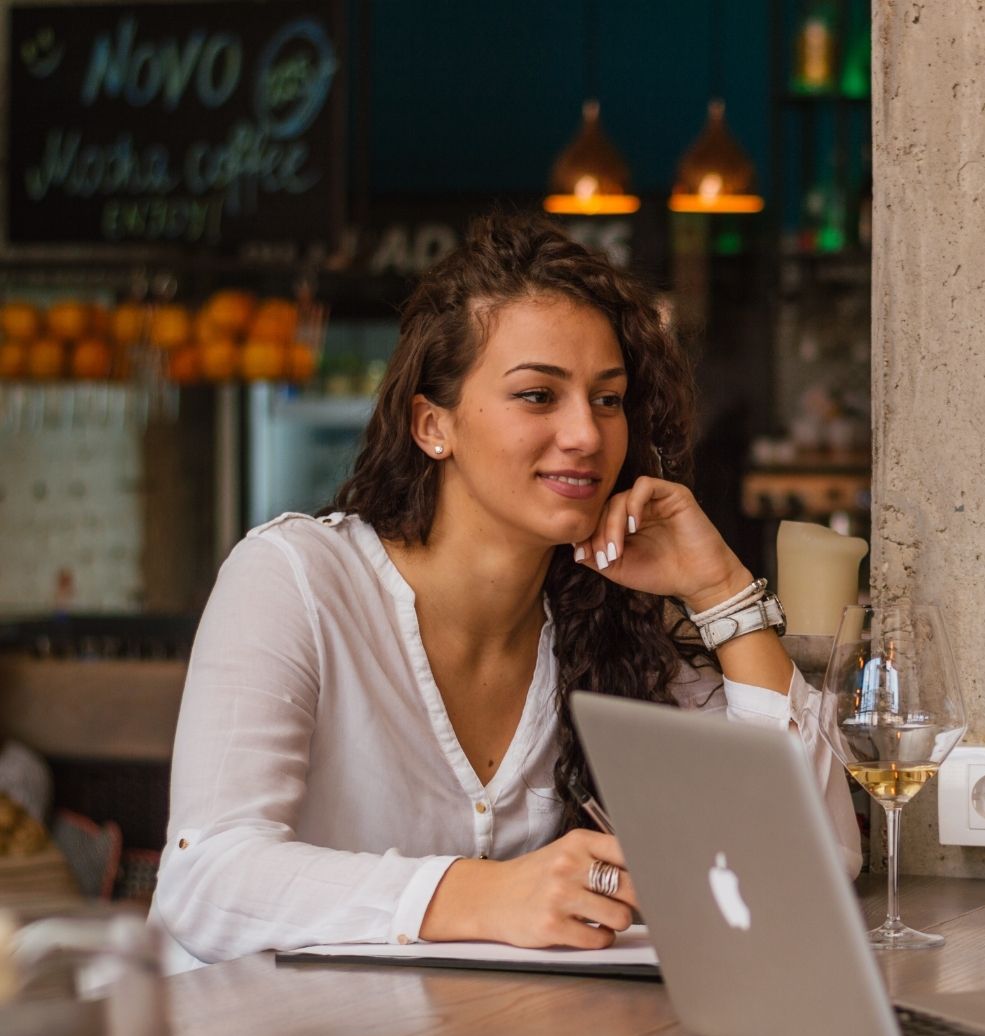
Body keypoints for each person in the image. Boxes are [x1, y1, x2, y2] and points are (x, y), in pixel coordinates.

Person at [153, 214, 859, 969]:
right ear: (433, 425)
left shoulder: (611, 620)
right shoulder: (294, 579)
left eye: (608, 399)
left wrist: (721, 591)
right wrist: (485, 895)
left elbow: (815, 861)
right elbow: (206, 878)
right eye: (538, 395)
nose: (586, 434)